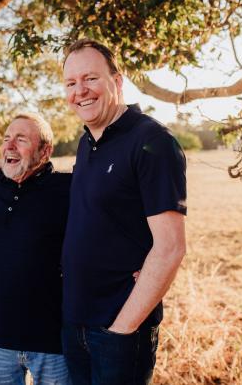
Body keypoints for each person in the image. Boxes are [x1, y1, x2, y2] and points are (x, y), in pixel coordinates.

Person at [60, 39, 187, 385]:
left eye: (90, 79)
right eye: (71, 83)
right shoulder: (87, 142)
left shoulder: (153, 142)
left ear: (117, 82)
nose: (80, 91)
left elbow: (171, 246)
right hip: (75, 323)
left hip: (118, 331)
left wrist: (122, 329)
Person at [0, 113, 71, 385]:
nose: (10, 145)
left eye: (21, 139)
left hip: (52, 337)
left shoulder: (69, 189)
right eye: (6, 139)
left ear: (45, 151)